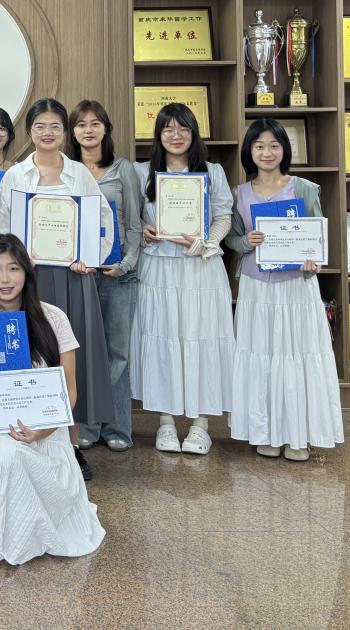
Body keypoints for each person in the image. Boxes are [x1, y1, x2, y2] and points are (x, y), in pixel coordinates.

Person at [0, 234, 105, 566]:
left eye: (13, 268)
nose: (4, 279)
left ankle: (20, 535)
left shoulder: (53, 318)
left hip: (45, 432)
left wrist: (44, 430)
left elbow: (70, 391)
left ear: (27, 271)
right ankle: (14, 537)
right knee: (7, 451)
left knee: (16, 452)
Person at [0, 99, 114, 481]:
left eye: (55, 126)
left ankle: (72, 446)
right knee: (31, 356)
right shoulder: (16, 175)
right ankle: (25, 435)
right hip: (29, 281)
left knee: (69, 361)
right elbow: (1, 228)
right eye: (40, 126)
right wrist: (13, 266)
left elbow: (103, 219)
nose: (47, 133)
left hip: (73, 279)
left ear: (65, 132)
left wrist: (91, 257)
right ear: (29, 131)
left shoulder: (79, 174)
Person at [225, 119, 344, 461]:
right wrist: (245, 242)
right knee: (261, 356)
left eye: (274, 146)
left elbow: (317, 235)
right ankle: (266, 432)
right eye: (259, 146)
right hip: (256, 288)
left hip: (295, 287)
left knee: (297, 356)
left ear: (284, 150)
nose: (267, 152)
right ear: (249, 151)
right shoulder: (238, 193)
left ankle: (297, 436)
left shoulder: (303, 188)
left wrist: (313, 260)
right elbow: (231, 238)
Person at [131, 102, 235, 456]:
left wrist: (207, 241)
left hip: (201, 269)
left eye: (183, 128)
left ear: (194, 133)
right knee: (162, 339)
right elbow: (131, 218)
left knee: (201, 339)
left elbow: (223, 216)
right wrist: (142, 230)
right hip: (158, 268)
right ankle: (165, 421)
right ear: (158, 135)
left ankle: (201, 425)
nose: (175, 135)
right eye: (168, 129)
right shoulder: (141, 172)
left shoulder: (213, 172)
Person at [67, 100, 143, 452]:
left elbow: (134, 225)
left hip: (117, 276)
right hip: (79, 276)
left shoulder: (123, 169)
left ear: (106, 129)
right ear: (73, 131)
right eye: (81, 124)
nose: (88, 130)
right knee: (82, 351)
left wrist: (125, 265)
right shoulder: (67, 171)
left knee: (117, 354)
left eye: (95, 123)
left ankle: (118, 427)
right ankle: (88, 423)